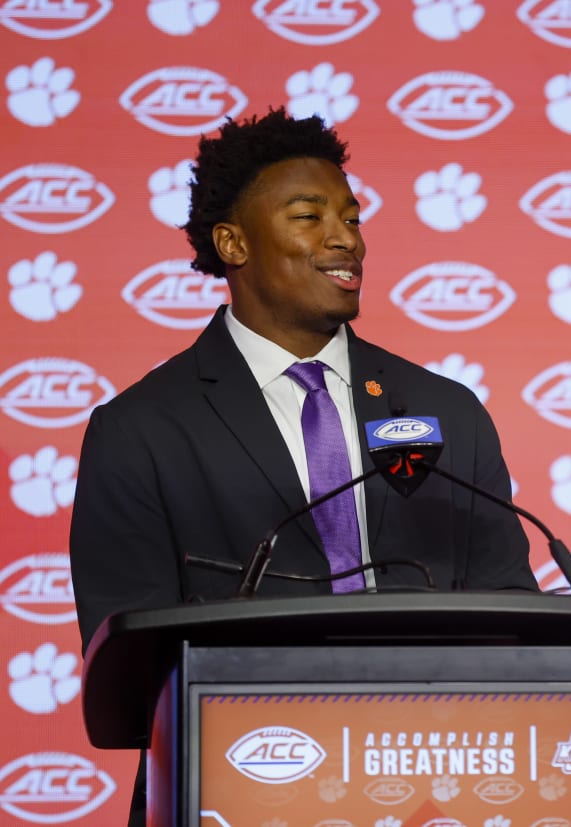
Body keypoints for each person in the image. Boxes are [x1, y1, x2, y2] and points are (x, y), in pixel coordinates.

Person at [69, 108, 538, 826]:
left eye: (350, 216)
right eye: (308, 215)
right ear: (233, 243)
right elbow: (128, 675)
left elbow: (513, 623)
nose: (345, 237)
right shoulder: (140, 430)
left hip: (435, 789)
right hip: (235, 785)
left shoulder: (446, 410)